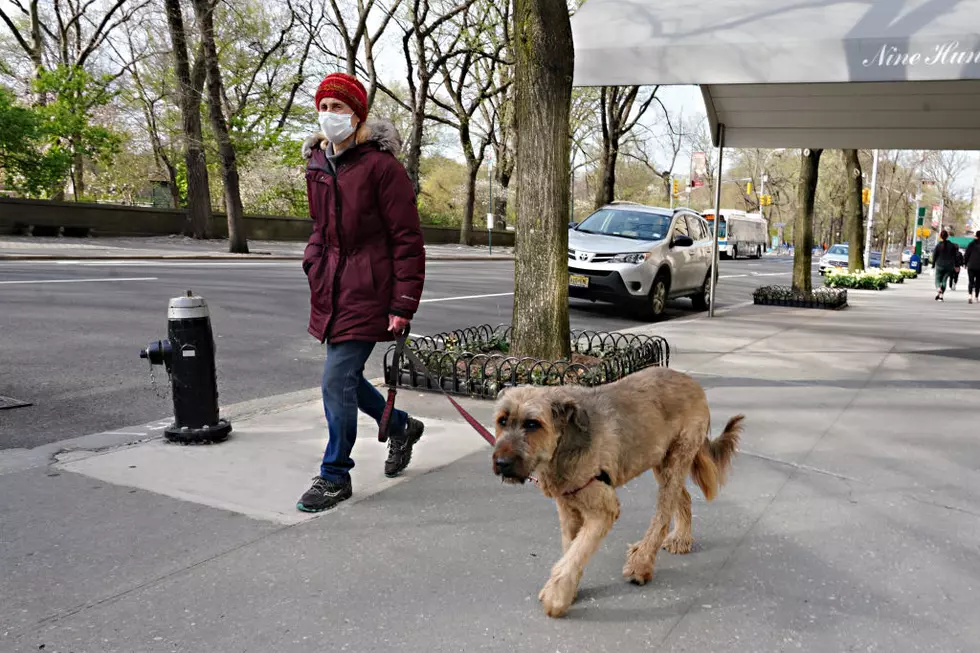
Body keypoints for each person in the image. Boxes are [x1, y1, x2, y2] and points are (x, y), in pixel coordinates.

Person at [297, 72, 426, 513]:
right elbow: (320, 227)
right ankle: (403, 426)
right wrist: (313, 260)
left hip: (370, 288)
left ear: (357, 116)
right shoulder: (316, 162)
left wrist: (402, 303)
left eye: (338, 108)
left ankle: (335, 474)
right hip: (330, 286)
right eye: (325, 107)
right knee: (348, 378)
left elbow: (407, 239)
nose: (329, 115)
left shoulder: (382, 168)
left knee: (335, 379)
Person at [931, 230, 959, 301]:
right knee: (944, 280)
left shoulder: (938, 245)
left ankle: (938, 289)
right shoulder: (952, 246)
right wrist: (956, 265)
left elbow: (934, 256)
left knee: (937, 279)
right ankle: (941, 296)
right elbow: (955, 256)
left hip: (939, 265)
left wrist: (933, 265)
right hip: (949, 266)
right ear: (947, 236)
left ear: (940, 236)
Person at [965, 230, 980, 304]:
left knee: (971, 282)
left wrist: (965, 263)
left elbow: (967, 254)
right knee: (978, 282)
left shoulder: (971, 244)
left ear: (976, 236)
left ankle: (970, 296)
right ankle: (976, 297)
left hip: (971, 266)